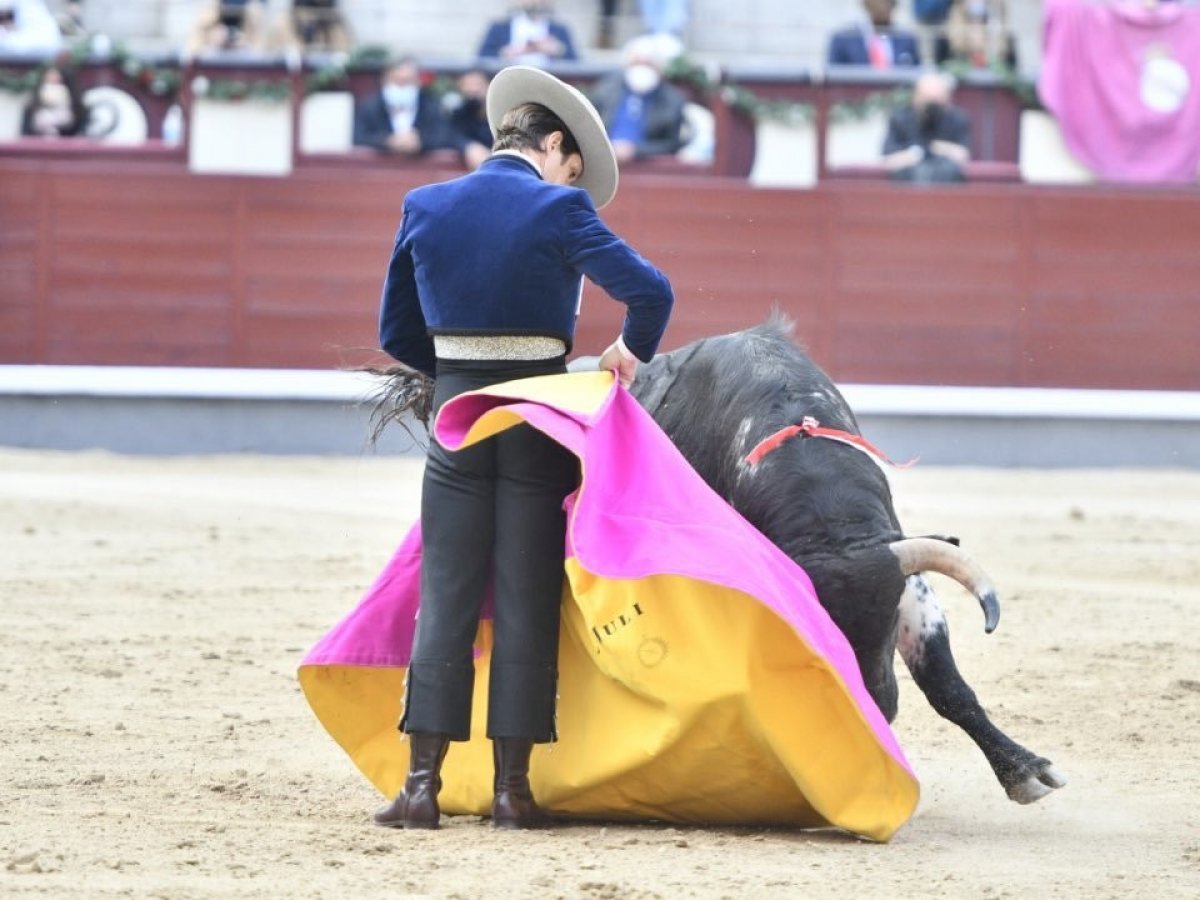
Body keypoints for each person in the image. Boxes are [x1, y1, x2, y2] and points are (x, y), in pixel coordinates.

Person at [372, 65, 674, 830]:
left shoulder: (426, 203)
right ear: (550, 146)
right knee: (525, 596)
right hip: (537, 418)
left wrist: (454, 376)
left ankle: (420, 788)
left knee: (446, 594)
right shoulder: (559, 207)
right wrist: (623, 352)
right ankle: (512, 792)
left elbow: (395, 333)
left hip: (459, 419)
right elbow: (652, 293)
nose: (572, 178)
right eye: (571, 164)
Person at [589, 34, 690, 164]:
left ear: (658, 67)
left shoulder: (672, 101)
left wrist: (636, 151)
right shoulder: (605, 92)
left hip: (649, 170)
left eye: (647, 64)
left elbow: (672, 144)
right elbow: (589, 131)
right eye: (636, 63)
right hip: (604, 162)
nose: (641, 69)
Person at [881, 70, 971, 182]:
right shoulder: (900, 118)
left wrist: (938, 148)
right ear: (916, 97)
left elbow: (963, 156)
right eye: (927, 99)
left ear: (947, 98)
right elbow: (888, 159)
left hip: (945, 185)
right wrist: (915, 154)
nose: (931, 106)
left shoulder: (956, 118)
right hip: (908, 186)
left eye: (936, 99)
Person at [353, 56, 449, 158]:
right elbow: (359, 137)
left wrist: (420, 141)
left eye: (407, 81)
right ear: (384, 80)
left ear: (418, 82)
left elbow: (443, 136)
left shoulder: (431, 105)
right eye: (397, 81)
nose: (402, 87)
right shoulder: (369, 106)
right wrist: (388, 141)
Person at [476, 0, 578, 65]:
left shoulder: (560, 29)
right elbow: (482, 58)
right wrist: (508, 53)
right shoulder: (499, 27)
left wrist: (556, 50)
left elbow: (576, 63)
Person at [827, 0, 921, 68]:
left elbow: (916, 74)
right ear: (866, 3)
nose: (883, 5)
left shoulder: (906, 39)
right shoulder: (844, 39)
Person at [444, 68, 494, 171]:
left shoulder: (506, 113)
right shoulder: (462, 112)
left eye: (478, 84)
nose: (473, 90)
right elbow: (452, 134)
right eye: (468, 85)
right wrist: (468, 146)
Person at [21, 64, 89, 137]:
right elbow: (26, 131)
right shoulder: (32, 105)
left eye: (56, 77)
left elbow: (80, 129)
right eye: (49, 77)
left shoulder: (75, 106)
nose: (52, 79)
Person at [184, 0, 268, 58]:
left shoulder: (255, 12)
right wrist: (212, 43)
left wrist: (244, 45)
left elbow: (261, 54)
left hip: (245, 70)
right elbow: (193, 51)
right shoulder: (209, 12)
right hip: (213, 67)